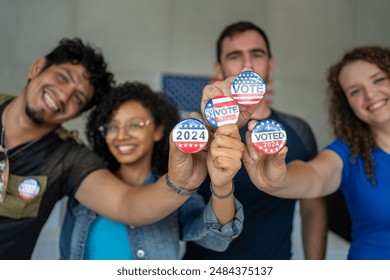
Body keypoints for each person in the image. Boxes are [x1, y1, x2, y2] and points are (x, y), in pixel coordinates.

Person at [0, 38, 212, 260]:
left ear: (76, 114)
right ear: (37, 68)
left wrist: (181, 183)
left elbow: (127, 204)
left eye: (78, 98)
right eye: (63, 77)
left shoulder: (69, 159)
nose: (63, 96)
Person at [184, 21, 327, 260]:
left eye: (257, 54)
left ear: (270, 64)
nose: (247, 64)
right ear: (218, 69)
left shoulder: (298, 130)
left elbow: (313, 208)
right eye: (234, 56)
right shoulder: (200, 130)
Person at [59, 81, 244, 259]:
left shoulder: (178, 192)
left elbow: (215, 237)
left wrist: (222, 186)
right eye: (112, 127)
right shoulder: (86, 187)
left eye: (135, 124)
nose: (121, 135)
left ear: (157, 131)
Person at [244, 45, 390, 260]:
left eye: (378, 80)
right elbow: (314, 175)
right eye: (355, 91)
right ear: (348, 104)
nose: (370, 94)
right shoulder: (347, 153)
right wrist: (278, 179)